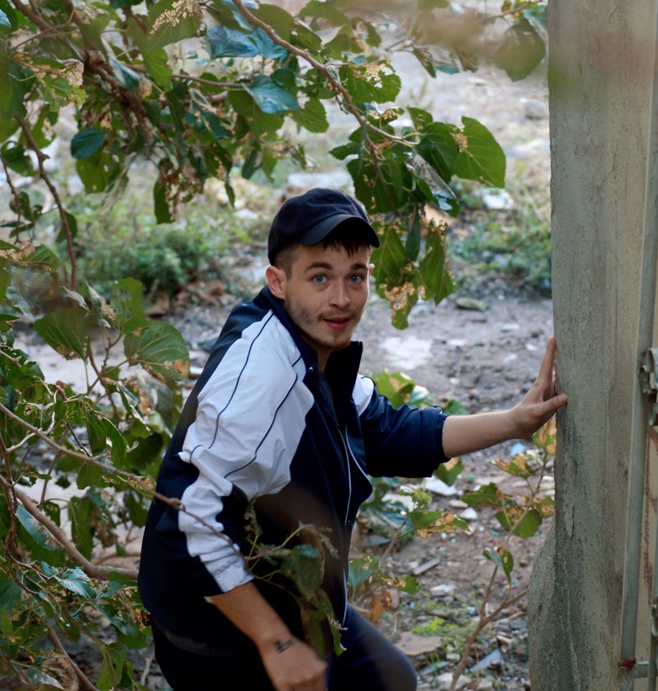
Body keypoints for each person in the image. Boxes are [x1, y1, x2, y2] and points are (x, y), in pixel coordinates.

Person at [138, 188, 567, 691]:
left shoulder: (315, 350)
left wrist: (514, 422)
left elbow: (387, 431)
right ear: (278, 281)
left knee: (393, 681)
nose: (342, 299)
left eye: (356, 277)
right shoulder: (261, 381)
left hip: (304, 610)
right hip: (224, 643)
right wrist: (276, 644)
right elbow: (189, 524)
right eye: (320, 277)